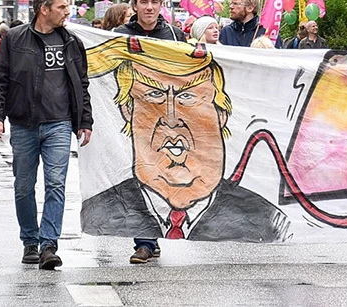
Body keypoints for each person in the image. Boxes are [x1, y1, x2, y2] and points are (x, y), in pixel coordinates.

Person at [82, 36, 288, 256]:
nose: (171, 119)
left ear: (221, 114)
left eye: (188, 97)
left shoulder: (268, 221)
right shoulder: (99, 211)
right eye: (154, 96)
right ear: (128, 111)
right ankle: (145, 244)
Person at [0, 0, 93, 270]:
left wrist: (85, 121)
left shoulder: (71, 42)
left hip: (59, 123)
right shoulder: (14, 40)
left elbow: (81, 84)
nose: (67, 11)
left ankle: (48, 244)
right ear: (44, 9)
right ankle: (29, 241)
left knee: (56, 184)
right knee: (23, 187)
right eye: (61, 7)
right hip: (23, 124)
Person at [113, 0, 186, 262]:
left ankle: (152, 235)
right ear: (135, 6)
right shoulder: (120, 36)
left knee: (163, 178)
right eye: (144, 2)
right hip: (133, 117)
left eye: (154, 2)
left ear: (161, 4)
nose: (149, 7)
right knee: (138, 176)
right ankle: (143, 241)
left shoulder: (174, 36)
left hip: (168, 120)